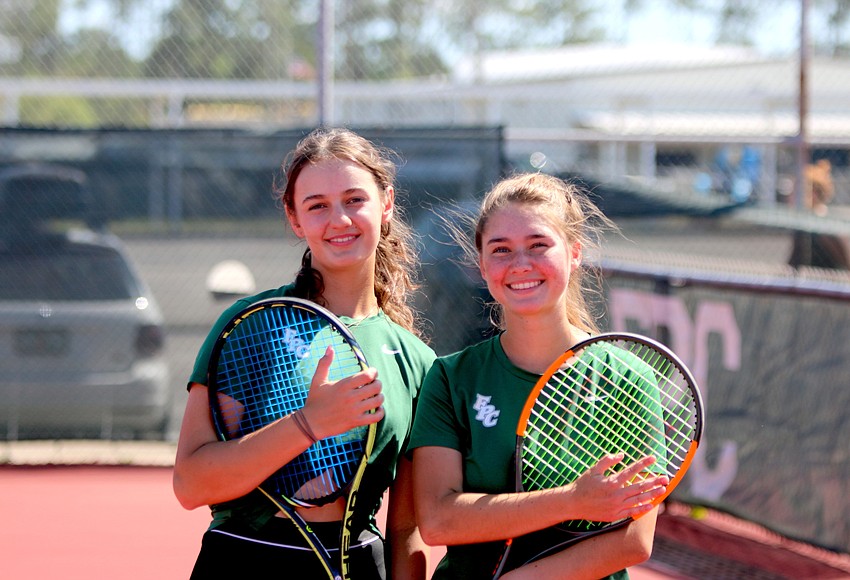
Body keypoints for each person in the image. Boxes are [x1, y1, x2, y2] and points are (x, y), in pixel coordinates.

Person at [173, 127, 436, 579]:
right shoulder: (250, 325)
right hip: (244, 557)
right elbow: (192, 484)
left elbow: (406, 528)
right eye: (317, 206)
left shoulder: (418, 361)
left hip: (358, 563)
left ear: (386, 204)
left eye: (355, 200)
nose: (339, 220)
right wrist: (309, 423)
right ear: (295, 220)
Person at [409, 172, 669, 579]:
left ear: (575, 252)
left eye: (538, 245)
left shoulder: (629, 379)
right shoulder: (449, 377)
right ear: (481, 265)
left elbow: (633, 540)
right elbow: (439, 519)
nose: (520, 264)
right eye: (501, 250)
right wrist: (572, 501)